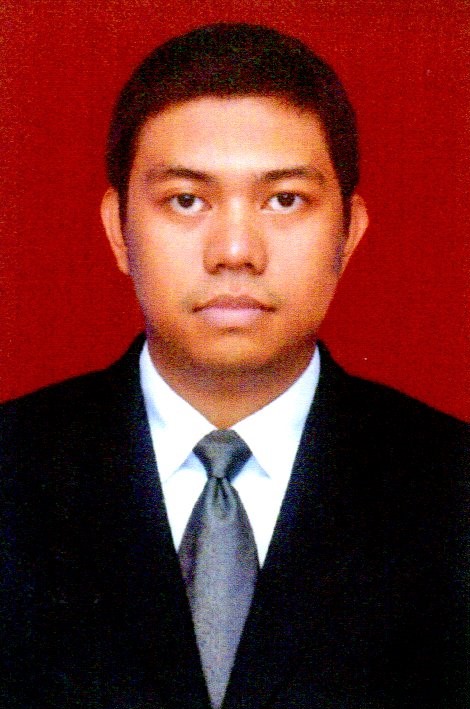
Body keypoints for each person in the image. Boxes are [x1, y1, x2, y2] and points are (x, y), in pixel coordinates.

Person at [1, 23, 467, 709]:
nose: (236, 251)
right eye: (186, 200)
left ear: (349, 232)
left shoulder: (453, 486)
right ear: (117, 229)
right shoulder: (13, 468)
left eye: (285, 199)